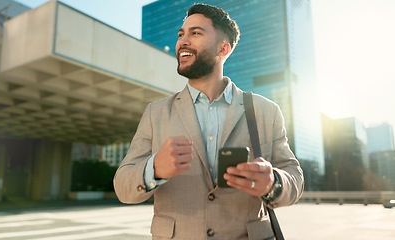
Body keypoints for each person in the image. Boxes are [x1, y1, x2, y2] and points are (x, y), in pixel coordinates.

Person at [114, 3, 304, 239]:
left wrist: (273, 182)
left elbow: (294, 177)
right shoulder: (156, 112)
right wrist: (153, 168)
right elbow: (123, 187)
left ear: (223, 49)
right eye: (181, 34)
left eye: (195, 33)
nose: (183, 41)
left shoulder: (266, 111)